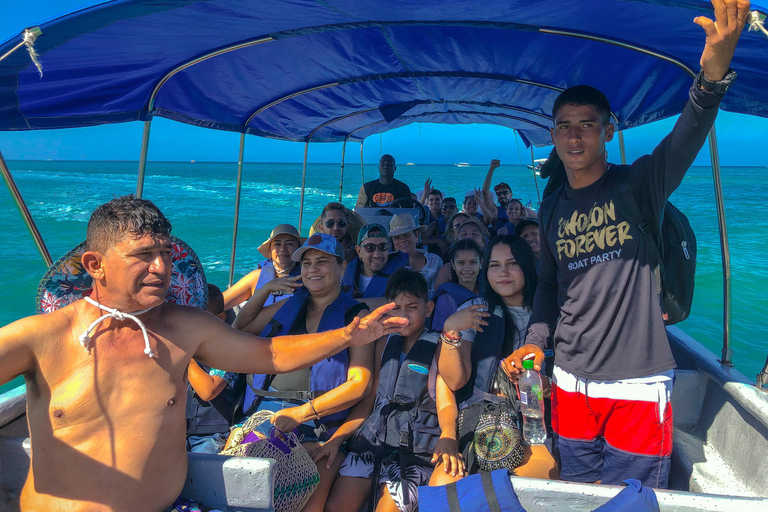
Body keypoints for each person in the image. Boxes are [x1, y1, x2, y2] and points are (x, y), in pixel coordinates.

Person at [0, 195, 407, 512]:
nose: (161, 268)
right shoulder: (42, 337)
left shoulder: (186, 327)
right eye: (143, 255)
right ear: (95, 264)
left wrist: (347, 336)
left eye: (166, 255)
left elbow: (269, 355)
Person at [506, 0, 750, 489]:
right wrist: (534, 343)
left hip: (637, 382)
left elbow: (686, 137)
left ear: (608, 130)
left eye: (587, 124)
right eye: (564, 127)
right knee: (577, 490)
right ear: (552, 136)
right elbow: (549, 287)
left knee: (631, 498)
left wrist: (711, 76)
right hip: (570, 379)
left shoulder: (638, 185)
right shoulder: (552, 204)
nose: (575, 137)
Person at [231, 233, 377, 512]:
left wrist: (301, 414)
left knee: (308, 505)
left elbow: (360, 384)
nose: (313, 269)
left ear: (342, 267)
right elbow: (239, 331)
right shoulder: (288, 305)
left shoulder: (355, 316)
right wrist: (264, 289)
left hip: (319, 426)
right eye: (307, 263)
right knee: (237, 494)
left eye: (322, 261)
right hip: (266, 415)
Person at [322, 269, 465, 512]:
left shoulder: (439, 347)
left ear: (428, 309)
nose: (403, 315)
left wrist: (449, 435)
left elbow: (445, 401)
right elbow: (369, 401)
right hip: (370, 448)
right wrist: (336, 440)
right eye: (396, 308)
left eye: (412, 307)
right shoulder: (383, 342)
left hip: (413, 455)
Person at [436, 235, 557, 479]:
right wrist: (450, 329)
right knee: (442, 485)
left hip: (536, 425)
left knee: (532, 483)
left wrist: (544, 387)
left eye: (512, 263)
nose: (503, 272)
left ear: (527, 265)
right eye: (494, 265)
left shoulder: (549, 315)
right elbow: (454, 381)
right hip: (482, 419)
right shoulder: (475, 310)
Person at [186, 284, 245, 454]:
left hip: (210, 435)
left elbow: (208, 390)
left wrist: (185, 355)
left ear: (220, 318)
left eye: (199, 318)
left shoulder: (228, 353)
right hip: (177, 432)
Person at [222, 224, 305, 311]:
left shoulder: (306, 277)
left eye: (289, 244)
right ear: (270, 250)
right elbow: (221, 303)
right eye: (277, 244)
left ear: (298, 249)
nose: (282, 249)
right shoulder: (256, 277)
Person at [343, 223, 409, 305]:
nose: (377, 254)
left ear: (389, 248)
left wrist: (349, 305)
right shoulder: (344, 277)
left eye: (383, 247)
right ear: (359, 251)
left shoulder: (404, 277)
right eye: (370, 247)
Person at [430, 239, 483, 332]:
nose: (467, 268)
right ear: (453, 264)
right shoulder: (445, 299)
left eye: (473, 262)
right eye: (461, 263)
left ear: (481, 263)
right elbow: (438, 333)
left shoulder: (489, 292)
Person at [389, 213, 443, 298]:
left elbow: (439, 293)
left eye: (406, 235)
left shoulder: (435, 261)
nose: (402, 240)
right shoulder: (389, 263)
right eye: (397, 237)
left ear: (416, 235)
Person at [480, 159, 513, 232]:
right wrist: (492, 169)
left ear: (511, 195)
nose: (502, 195)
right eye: (498, 194)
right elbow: (485, 191)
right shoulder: (495, 211)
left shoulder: (519, 210)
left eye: (505, 193)